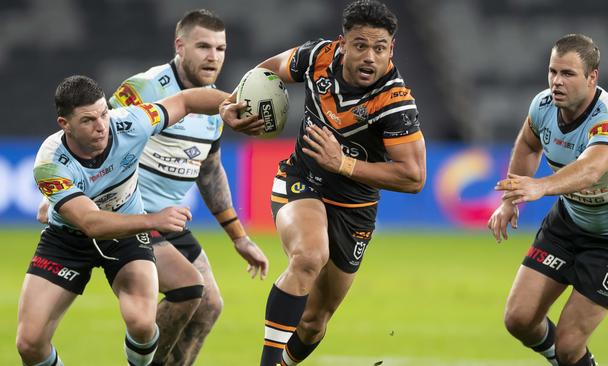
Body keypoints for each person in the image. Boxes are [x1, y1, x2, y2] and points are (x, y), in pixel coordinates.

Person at [219, 1, 426, 365]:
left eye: (379, 48)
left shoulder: (395, 104)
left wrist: (344, 163)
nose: (369, 57)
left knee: (315, 322)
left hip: (355, 209)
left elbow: (413, 177)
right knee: (309, 257)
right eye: (360, 45)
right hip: (302, 180)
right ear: (342, 43)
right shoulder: (317, 57)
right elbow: (265, 71)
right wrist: (235, 104)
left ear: (391, 50)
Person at [17, 75, 261, 366]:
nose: (101, 126)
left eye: (103, 114)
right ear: (64, 124)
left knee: (143, 324)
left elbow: (185, 101)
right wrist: (155, 220)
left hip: (126, 236)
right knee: (29, 344)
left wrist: (230, 106)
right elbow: (91, 223)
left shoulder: (129, 122)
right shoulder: (50, 162)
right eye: (87, 120)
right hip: (68, 240)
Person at [108, 9, 269, 365]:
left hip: (167, 221)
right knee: (189, 291)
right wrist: (66, 194)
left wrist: (239, 237)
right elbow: (95, 138)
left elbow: (209, 172)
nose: (214, 57)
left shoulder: (218, 107)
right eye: (203, 47)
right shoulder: (146, 87)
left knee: (210, 305)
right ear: (179, 46)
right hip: (129, 216)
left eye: (221, 48)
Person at [487, 33, 608, 366]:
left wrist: (541, 186)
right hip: (569, 221)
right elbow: (529, 145)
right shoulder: (543, 106)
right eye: (553, 72)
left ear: (592, 78)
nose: (556, 82)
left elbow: (590, 170)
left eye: (568, 74)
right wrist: (510, 200)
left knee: (570, 345)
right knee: (518, 319)